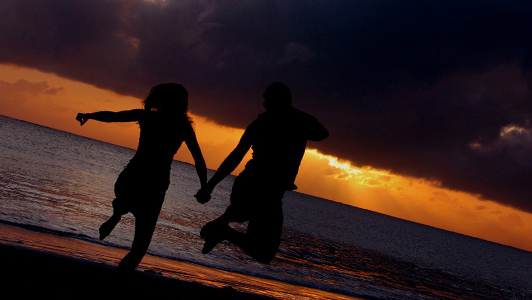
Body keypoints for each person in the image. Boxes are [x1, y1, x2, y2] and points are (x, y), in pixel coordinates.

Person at [76, 83, 208, 271]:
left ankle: (118, 212)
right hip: (156, 181)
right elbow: (198, 159)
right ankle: (121, 275)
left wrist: (89, 116)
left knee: (124, 196)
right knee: (140, 246)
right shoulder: (183, 126)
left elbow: (114, 116)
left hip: (134, 174)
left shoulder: (147, 116)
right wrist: (204, 187)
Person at [195, 82, 329, 264]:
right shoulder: (262, 124)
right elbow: (235, 157)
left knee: (263, 252)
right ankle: (222, 226)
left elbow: (322, 133)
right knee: (246, 221)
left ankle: (222, 229)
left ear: (279, 102)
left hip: (270, 192)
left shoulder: (296, 123)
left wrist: (290, 114)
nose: (264, 105)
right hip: (253, 186)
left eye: (267, 101)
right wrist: (209, 186)